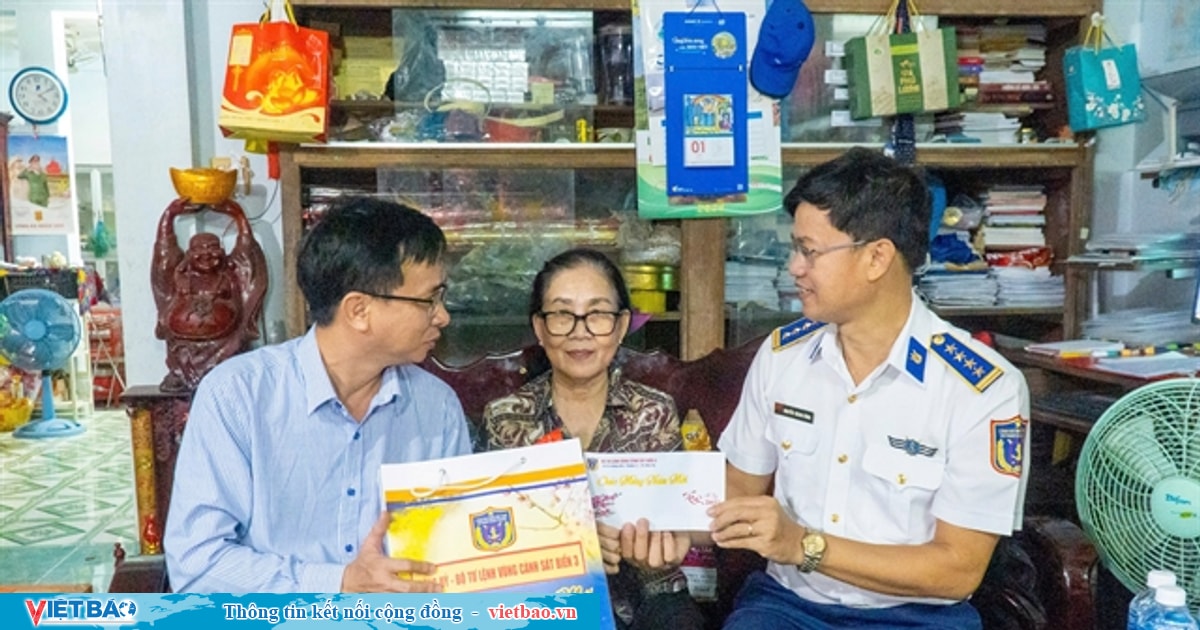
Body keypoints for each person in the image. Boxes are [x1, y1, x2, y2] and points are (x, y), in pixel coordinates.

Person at [708, 147, 1029, 629]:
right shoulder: (782, 356)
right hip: (787, 608)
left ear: (878, 257)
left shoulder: (982, 388)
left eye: (809, 251)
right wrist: (642, 522)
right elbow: (733, 493)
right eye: (795, 249)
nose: (795, 267)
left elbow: (957, 570)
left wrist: (803, 545)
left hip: (917, 617)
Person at [165, 197, 473, 592]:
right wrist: (339, 582)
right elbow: (198, 565)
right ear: (358, 310)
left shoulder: (437, 408)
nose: (442, 316)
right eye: (429, 299)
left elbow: (452, 553)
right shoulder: (237, 397)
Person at [484, 248, 705, 630]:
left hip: (649, 591)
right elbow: (491, 535)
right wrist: (571, 548)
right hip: (550, 596)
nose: (580, 331)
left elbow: (683, 516)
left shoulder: (654, 411)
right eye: (562, 314)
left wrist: (667, 546)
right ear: (539, 327)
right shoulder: (506, 417)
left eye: (598, 314)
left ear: (620, 326)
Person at [151, 196, 268, 392]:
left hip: (225, 346)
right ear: (188, 253)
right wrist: (168, 217)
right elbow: (163, 258)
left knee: (231, 375)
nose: (206, 254)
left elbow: (248, 258)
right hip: (182, 349)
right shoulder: (179, 275)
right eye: (199, 249)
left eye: (213, 248)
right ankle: (182, 374)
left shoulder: (231, 273)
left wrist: (239, 217)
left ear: (222, 251)